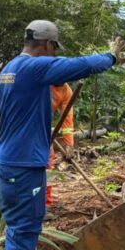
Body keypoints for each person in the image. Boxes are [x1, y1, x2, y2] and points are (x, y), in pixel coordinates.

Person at [0, 20, 125, 250]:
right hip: (23, 168)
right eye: (54, 48)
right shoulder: (33, 68)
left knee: (20, 232)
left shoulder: (10, 68)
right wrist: (110, 56)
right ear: (47, 45)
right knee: (23, 234)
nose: (54, 54)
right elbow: (78, 66)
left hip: (13, 162)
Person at [44, 82, 74, 220]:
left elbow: (67, 119)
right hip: (26, 126)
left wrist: (69, 145)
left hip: (43, 130)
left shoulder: (66, 91)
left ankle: (44, 205)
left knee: (47, 166)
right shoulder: (43, 82)